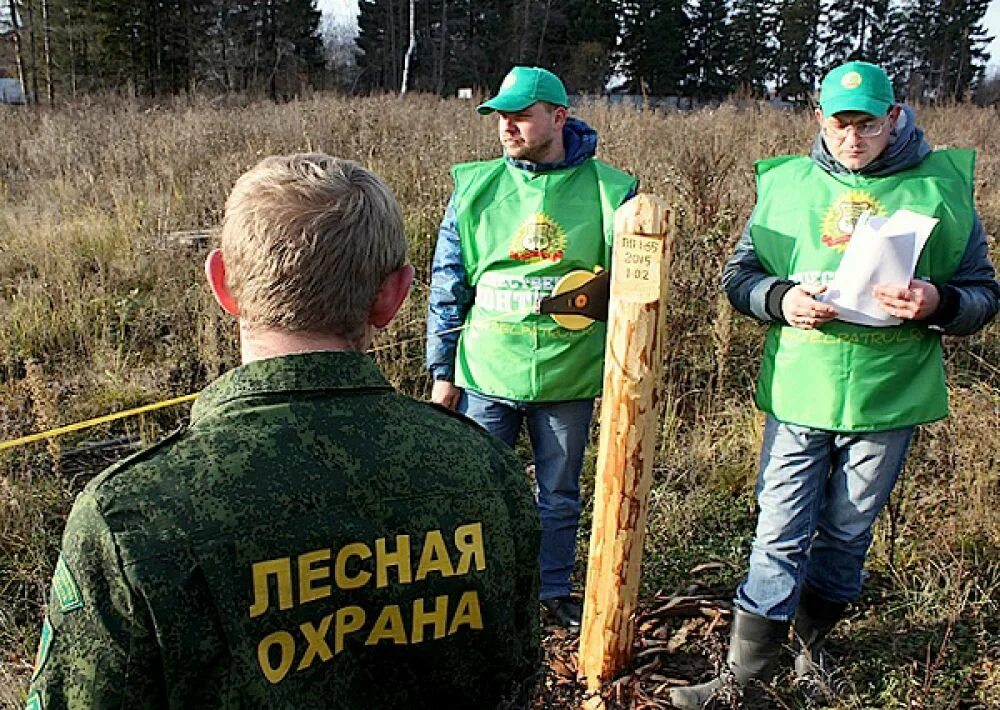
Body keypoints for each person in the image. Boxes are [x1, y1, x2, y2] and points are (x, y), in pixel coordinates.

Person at [28, 154, 541, 709]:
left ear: (224, 284)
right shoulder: (487, 470)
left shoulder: (131, 517)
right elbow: (514, 677)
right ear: (393, 296)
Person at [671, 61, 999, 708]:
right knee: (780, 528)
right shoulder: (788, 186)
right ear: (820, 119)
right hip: (802, 389)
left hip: (889, 393)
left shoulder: (942, 187)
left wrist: (937, 300)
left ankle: (812, 650)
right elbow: (740, 276)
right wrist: (781, 298)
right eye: (841, 123)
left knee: (848, 532)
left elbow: (985, 293)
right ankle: (744, 677)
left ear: (895, 117)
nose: (854, 137)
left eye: (868, 123)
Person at [425, 66, 637, 630]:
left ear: (559, 116)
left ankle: (549, 591)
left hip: (569, 378)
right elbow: (449, 284)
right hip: (485, 374)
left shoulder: (613, 191)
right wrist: (442, 372)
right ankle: (480, 595)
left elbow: (635, 288)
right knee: (478, 493)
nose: (506, 126)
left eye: (520, 114)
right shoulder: (475, 188)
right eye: (499, 115)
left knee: (558, 494)